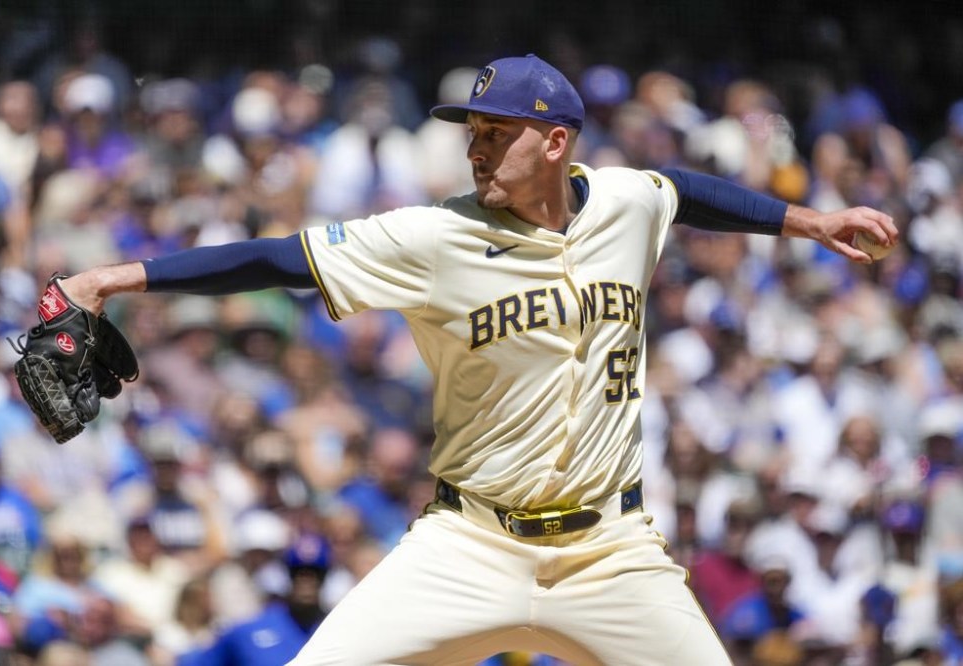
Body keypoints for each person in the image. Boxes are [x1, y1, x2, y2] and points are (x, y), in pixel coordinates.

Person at [48, 54, 898, 664]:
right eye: (472, 132)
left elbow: (685, 189)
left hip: (612, 552)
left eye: (498, 132)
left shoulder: (627, 203)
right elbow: (280, 258)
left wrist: (811, 223)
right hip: (467, 544)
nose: (476, 148)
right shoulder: (433, 234)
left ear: (557, 142)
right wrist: (117, 278)